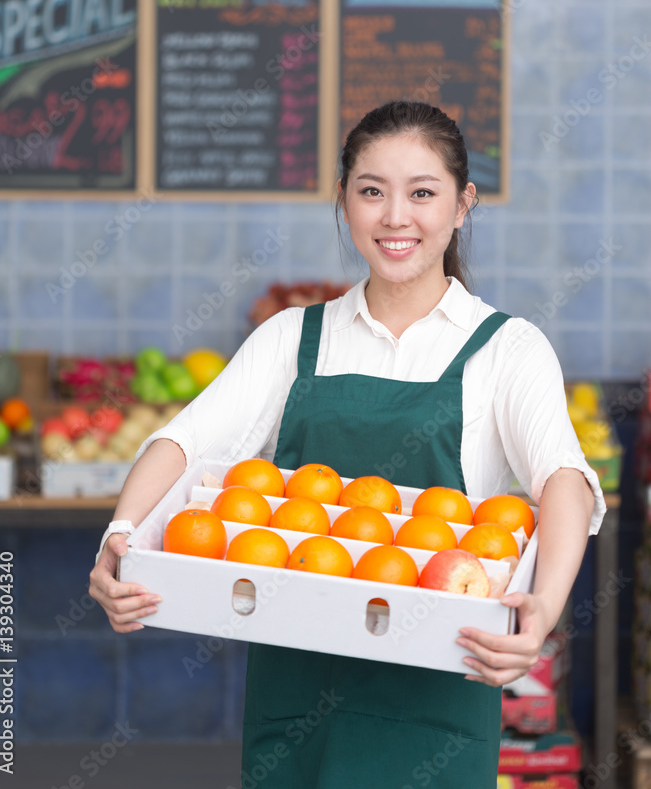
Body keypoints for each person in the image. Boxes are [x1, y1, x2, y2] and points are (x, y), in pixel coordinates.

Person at [90, 101, 605, 789]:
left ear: (461, 206)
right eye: (371, 191)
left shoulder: (506, 349)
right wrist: (120, 536)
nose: (396, 217)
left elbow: (561, 480)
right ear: (344, 203)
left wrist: (542, 604)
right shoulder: (292, 338)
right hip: (299, 702)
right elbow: (182, 442)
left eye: (422, 192)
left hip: (433, 714)